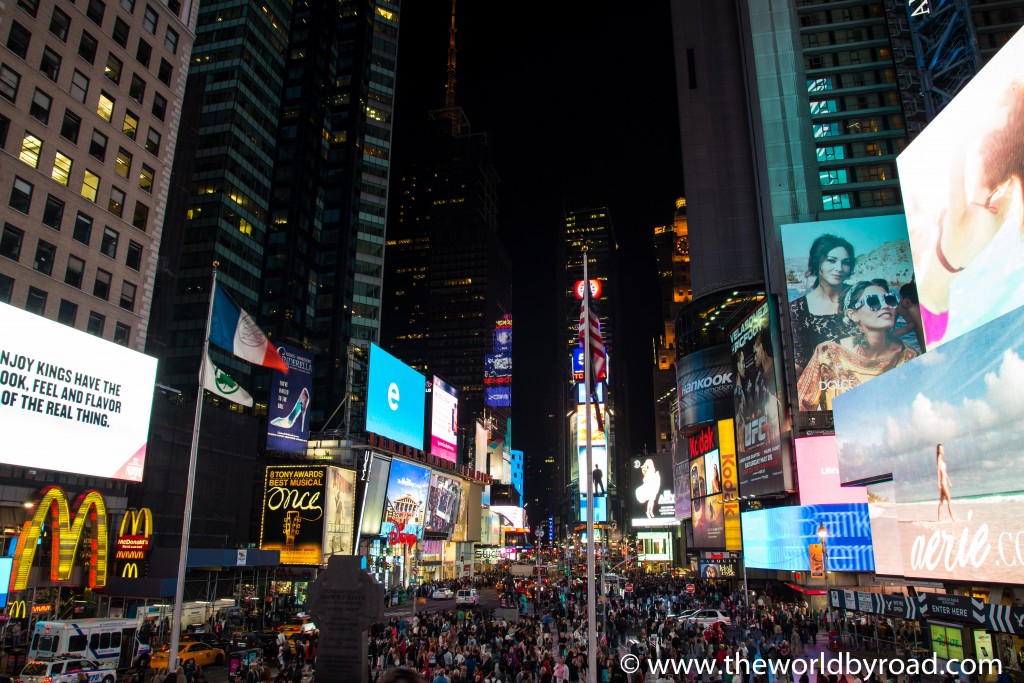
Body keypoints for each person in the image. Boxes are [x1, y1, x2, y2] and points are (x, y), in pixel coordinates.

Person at [911, 82, 1024, 347]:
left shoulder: (962, 215)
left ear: (985, 158)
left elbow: (958, 147)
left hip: (928, 309)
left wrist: (992, 126)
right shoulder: (1000, 210)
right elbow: (1012, 160)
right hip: (939, 309)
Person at [797, 279, 918, 411]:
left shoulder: (909, 358)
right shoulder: (828, 353)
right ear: (853, 314)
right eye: (873, 301)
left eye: (889, 300)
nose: (885, 306)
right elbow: (802, 406)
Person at [789, 234, 857, 377]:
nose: (839, 268)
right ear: (817, 262)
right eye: (831, 261)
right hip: (824, 384)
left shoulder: (860, 295)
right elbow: (801, 360)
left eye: (845, 262)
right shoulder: (797, 309)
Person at [893, 278, 926, 353]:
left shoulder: (913, 309)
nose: (900, 300)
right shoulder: (902, 306)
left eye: (900, 298)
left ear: (906, 301)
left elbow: (920, 330)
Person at [936, 444, 956, 522]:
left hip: (945, 482)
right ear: (938, 450)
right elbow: (938, 472)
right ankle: (953, 519)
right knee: (949, 500)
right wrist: (938, 483)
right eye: (941, 449)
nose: (943, 450)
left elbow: (944, 472)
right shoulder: (938, 460)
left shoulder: (942, 460)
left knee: (941, 502)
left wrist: (949, 480)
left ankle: (939, 519)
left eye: (943, 448)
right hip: (943, 483)